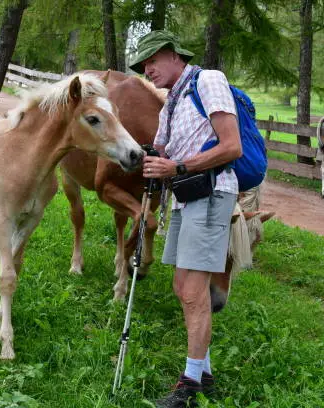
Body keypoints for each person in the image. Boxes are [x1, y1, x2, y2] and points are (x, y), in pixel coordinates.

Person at [128, 30, 242, 407]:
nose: (147, 69)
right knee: (183, 287)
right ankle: (203, 372)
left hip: (210, 193)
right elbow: (160, 149)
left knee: (194, 293)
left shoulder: (208, 80)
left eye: (152, 60)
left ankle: (190, 385)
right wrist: (148, 155)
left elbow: (231, 146)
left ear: (175, 55)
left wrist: (174, 165)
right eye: (142, 65)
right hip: (186, 198)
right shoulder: (171, 103)